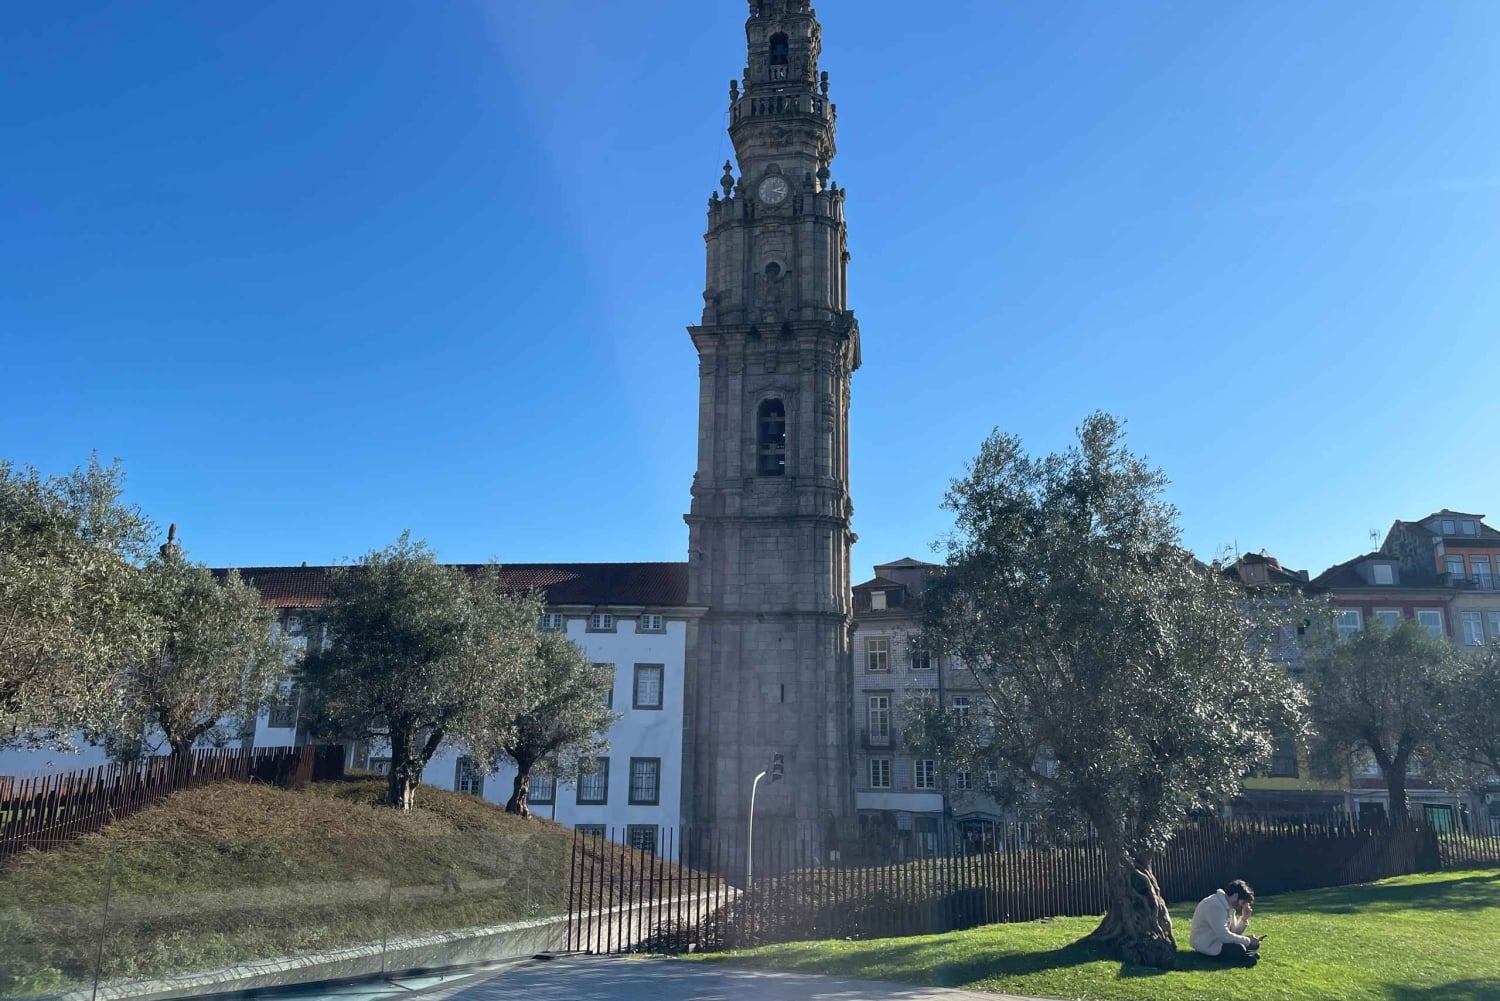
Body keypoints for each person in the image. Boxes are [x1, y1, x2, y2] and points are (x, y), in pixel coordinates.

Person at [1190, 879, 1261, 965]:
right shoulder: (1214, 905)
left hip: (1219, 942)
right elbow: (1224, 936)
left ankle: (1244, 956)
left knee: (1252, 944)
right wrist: (1248, 940)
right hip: (1207, 945)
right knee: (1239, 947)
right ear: (1235, 896)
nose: (1242, 906)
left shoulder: (1228, 906)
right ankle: (1243, 957)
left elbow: (1233, 932)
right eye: (1243, 902)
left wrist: (1244, 919)